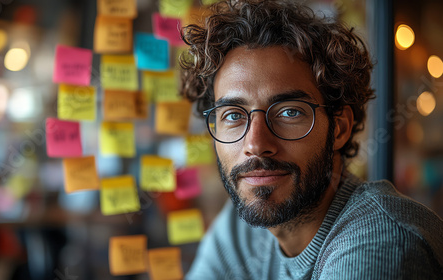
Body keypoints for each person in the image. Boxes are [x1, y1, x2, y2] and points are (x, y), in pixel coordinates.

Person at [179, 0, 443, 279]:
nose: (255, 144)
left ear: (339, 128)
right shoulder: (242, 227)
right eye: (233, 116)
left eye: (289, 112)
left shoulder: (381, 242)